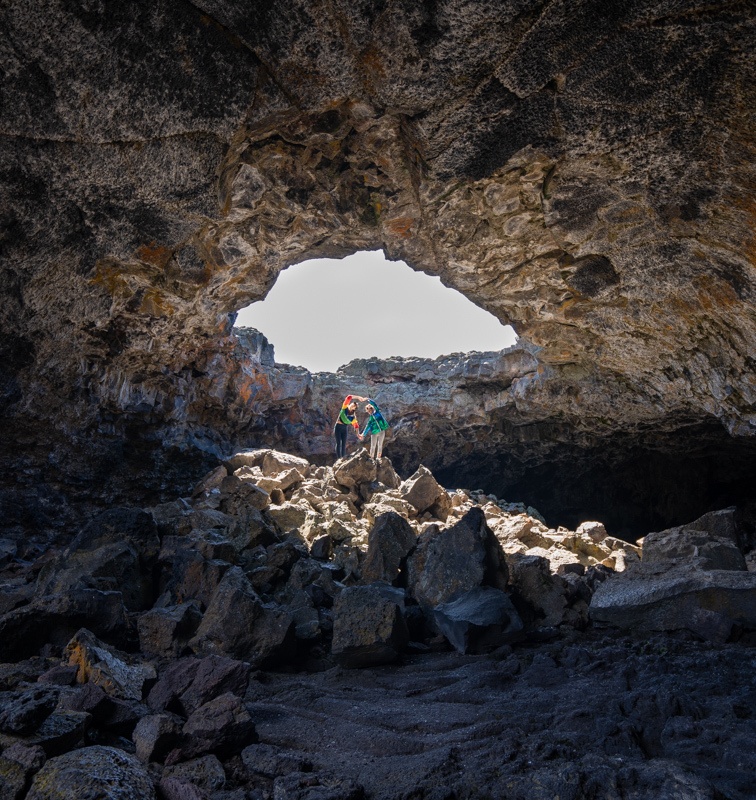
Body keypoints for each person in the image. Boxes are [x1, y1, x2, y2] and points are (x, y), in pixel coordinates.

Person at [333, 394, 367, 460]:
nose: (352, 404)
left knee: (343, 444)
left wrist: (358, 434)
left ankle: (342, 458)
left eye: (354, 405)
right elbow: (349, 397)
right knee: (338, 443)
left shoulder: (352, 417)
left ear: (354, 408)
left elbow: (356, 426)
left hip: (344, 428)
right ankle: (339, 459)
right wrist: (358, 397)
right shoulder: (344, 407)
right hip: (338, 427)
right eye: (353, 403)